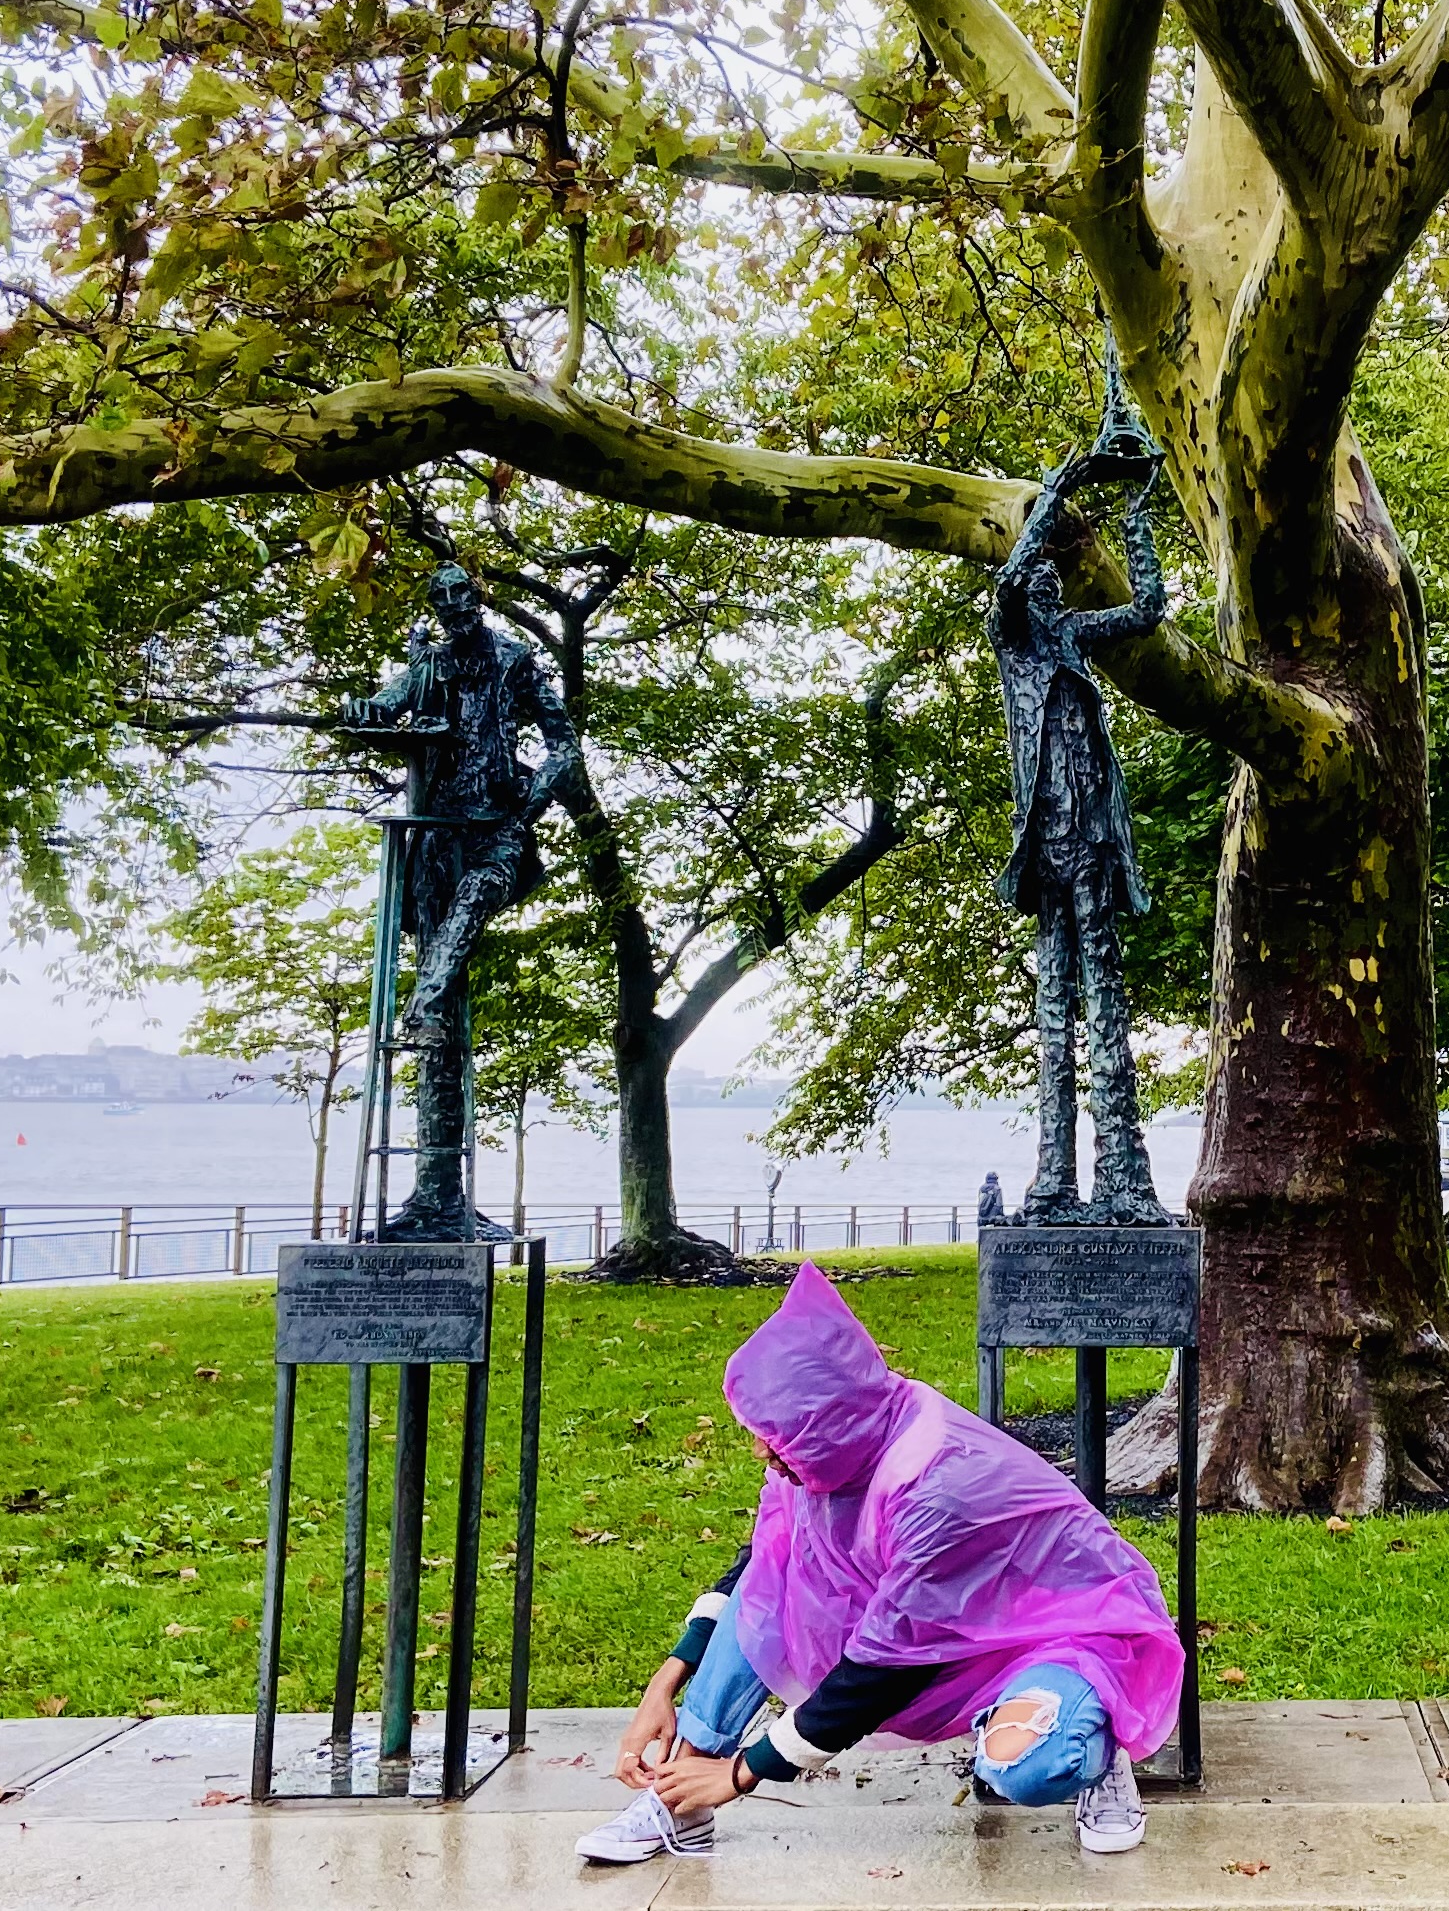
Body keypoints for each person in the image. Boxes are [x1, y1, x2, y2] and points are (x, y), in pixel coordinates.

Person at [577, 1265, 1181, 1864]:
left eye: (774, 1437)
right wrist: (667, 1681)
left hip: (1057, 1636)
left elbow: (885, 1670)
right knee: (781, 1581)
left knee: (1025, 1767)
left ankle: (1096, 1742)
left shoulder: (941, 1492)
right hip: (944, 1628)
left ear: (828, 1423)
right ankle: (682, 1787)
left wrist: (745, 1771)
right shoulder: (832, 1444)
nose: (763, 1450)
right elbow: (764, 1563)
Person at [340, 564, 576, 1240]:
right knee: (438, 1017)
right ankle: (437, 1191)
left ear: (478, 598)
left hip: (495, 826)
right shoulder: (433, 664)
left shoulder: (514, 661)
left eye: (462, 596)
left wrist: (531, 806)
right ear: (437, 611)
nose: (454, 608)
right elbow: (390, 702)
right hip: (436, 830)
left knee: (476, 902)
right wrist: (366, 708)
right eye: (442, 602)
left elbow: (564, 745)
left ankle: (432, 986)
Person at [987, 378, 1170, 1225]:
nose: (1053, 586)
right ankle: (1054, 1182)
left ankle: (1123, 1181)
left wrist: (1138, 508)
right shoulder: (1016, 646)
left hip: (1091, 842)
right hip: (1045, 851)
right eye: (1043, 581)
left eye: (1060, 582)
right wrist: (1064, 483)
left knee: (1108, 1004)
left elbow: (1147, 610)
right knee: (1054, 1011)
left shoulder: (1071, 641)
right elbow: (1013, 578)